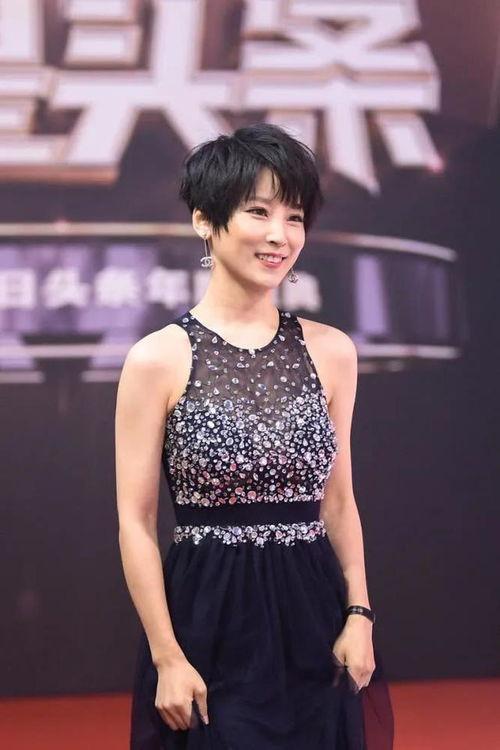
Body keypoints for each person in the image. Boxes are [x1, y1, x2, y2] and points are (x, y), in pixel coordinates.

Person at [115, 123, 394, 749]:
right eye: (259, 212)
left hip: (314, 614)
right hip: (207, 618)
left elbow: (339, 501)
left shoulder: (332, 352)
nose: (280, 235)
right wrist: (166, 654)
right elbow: (136, 521)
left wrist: (359, 612)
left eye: (295, 217)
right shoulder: (157, 358)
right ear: (204, 220)